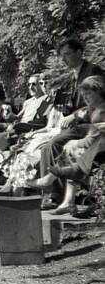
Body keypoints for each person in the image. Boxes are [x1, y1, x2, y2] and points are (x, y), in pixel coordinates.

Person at [33, 75, 105, 215]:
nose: (85, 97)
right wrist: (73, 116)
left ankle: (50, 180)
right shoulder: (92, 108)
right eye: (83, 95)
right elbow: (81, 113)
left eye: (88, 94)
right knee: (73, 148)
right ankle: (67, 202)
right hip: (96, 147)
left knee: (80, 146)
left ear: (99, 91)